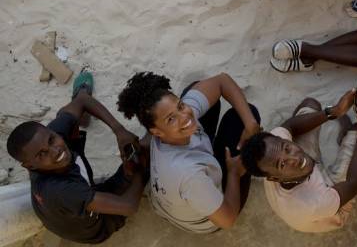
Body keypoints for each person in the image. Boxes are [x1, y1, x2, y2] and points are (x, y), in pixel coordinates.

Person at [5, 71, 147, 244]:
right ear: (29, 166)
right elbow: (129, 206)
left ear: (51, 131)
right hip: (95, 228)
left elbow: (83, 100)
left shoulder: (48, 141)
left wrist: (119, 130)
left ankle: (80, 118)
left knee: (77, 103)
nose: (54, 150)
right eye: (41, 154)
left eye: (52, 139)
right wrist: (139, 169)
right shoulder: (62, 190)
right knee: (143, 153)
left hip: (73, 204)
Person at [116, 72, 261, 233]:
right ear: (156, 132)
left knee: (198, 88)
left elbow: (222, 81)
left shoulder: (168, 129)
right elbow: (227, 220)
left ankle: (180, 115)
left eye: (180, 106)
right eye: (171, 119)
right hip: (204, 219)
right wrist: (234, 173)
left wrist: (251, 124)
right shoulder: (189, 175)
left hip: (181, 188)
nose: (185, 117)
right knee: (244, 119)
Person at [240, 88, 357, 232]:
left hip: (310, 177)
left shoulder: (272, 149)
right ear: (273, 178)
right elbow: (353, 183)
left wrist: (335, 111)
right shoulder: (311, 203)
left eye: (287, 148)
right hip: (331, 200)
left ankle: (349, 140)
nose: (294, 158)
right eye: (282, 164)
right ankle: (349, 138)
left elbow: (291, 126)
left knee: (310, 104)